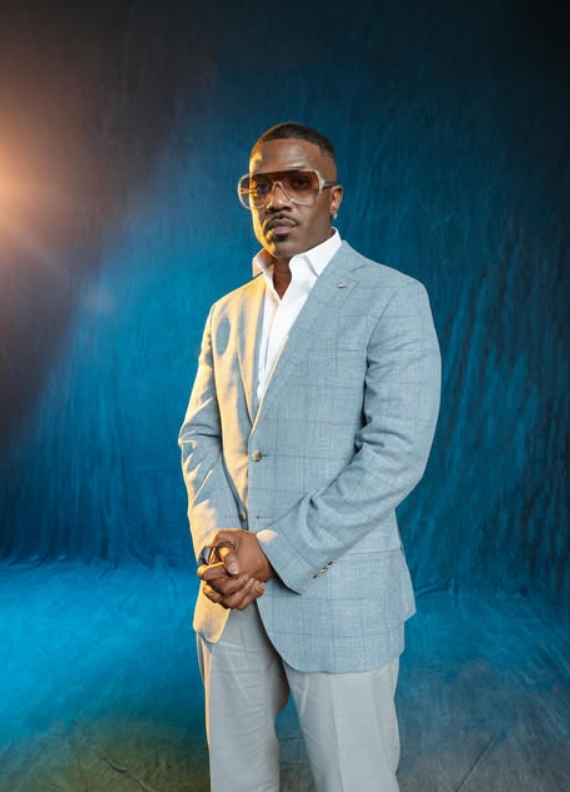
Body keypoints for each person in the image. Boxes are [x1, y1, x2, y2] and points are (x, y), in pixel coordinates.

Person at [179, 122, 441, 792]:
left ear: (333, 196)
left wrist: (269, 553)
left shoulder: (392, 297)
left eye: (298, 181)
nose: (277, 199)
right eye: (259, 185)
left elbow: (395, 454)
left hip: (340, 596)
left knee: (356, 781)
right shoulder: (225, 313)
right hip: (232, 595)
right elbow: (199, 436)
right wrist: (222, 548)